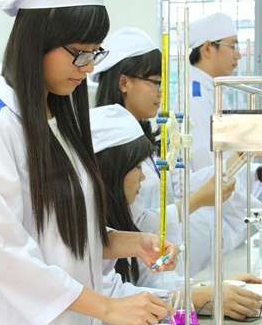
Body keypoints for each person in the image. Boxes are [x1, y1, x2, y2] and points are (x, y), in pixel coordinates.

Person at [0, 0, 178, 325]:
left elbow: (63, 233)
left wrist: (133, 242)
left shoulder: (60, 120)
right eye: (79, 53)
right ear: (38, 39)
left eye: (95, 53)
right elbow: (3, 254)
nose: (88, 68)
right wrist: (107, 307)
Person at [91, 104, 262, 320]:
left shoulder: (125, 214)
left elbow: (145, 280)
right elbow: (114, 295)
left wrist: (208, 288)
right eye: (137, 168)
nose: (143, 177)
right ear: (112, 170)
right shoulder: (88, 229)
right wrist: (199, 295)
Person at [177, 12, 262, 272]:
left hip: (221, 224)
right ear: (208, 48)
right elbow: (211, 175)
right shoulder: (195, 98)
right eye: (233, 46)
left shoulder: (212, 92)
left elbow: (223, 161)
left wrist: (259, 172)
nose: (239, 55)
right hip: (203, 227)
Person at [91, 27, 235, 247]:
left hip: (159, 255)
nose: (161, 93)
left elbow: (175, 187)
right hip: (136, 261)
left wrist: (237, 159)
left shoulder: (140, 138)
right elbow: (133, 223)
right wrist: (197, 201)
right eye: (156, 83)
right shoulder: (109, 144)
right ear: (124, 83)